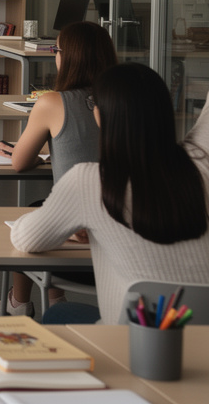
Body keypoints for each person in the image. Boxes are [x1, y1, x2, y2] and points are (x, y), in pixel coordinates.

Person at [11, 63, 209, 324]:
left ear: (101, 115)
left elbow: (25, 239)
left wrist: (73, 223)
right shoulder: (202, 162)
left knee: (57, 314)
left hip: (124, 347)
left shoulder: (89, 181)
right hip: (200, 349)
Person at [0, 20, 117, 316]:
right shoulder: (121, 101)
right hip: (120, 236)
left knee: (31, 215)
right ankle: (54, 302)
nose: (54, 55)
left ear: (68, 57)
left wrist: (41, 155)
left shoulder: (51, 102)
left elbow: (19, 164)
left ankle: (19, 305)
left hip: (74, 236)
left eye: (56, 49)